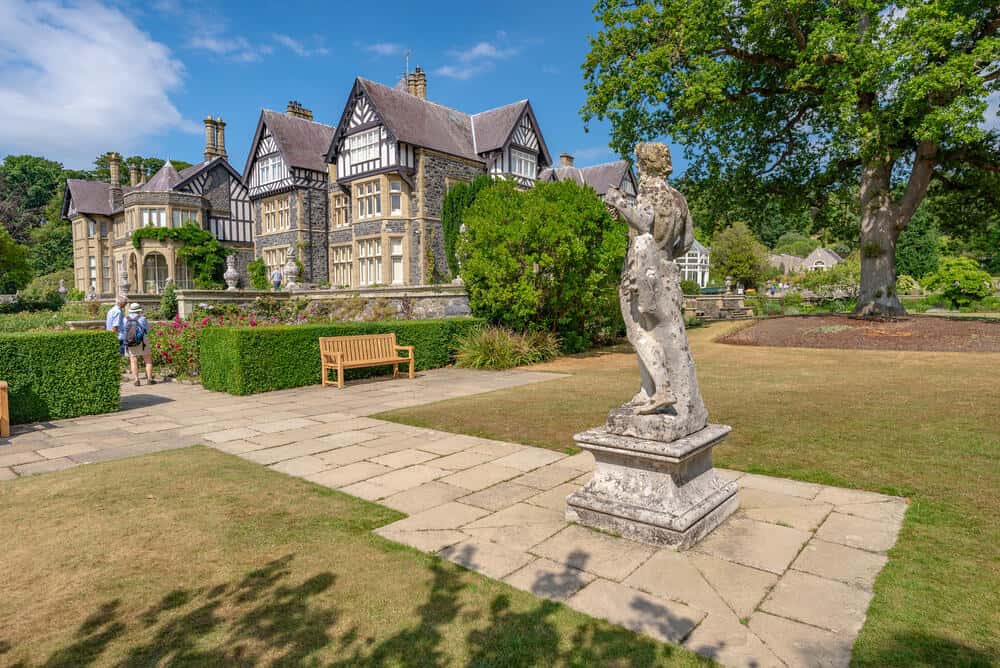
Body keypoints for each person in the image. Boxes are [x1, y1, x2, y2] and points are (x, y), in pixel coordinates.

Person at [123, 303, 155, 387]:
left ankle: (137, 380)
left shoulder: (125, 319)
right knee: (147, 359)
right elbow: (147, 330)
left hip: (130, 341)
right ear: (139, 310)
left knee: (133, 360)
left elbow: (124, 331)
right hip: (142, 341)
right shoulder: (143, 318)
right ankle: (149, 379)